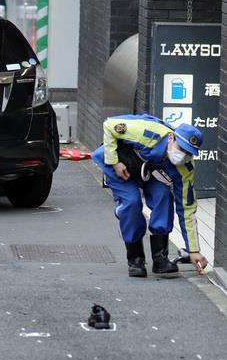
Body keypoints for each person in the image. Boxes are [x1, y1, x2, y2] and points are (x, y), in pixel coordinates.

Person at [90, 114, 209, 278]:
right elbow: (110, 125)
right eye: (180, 148)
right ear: (170, 138)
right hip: (121, 166)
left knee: (164, 198)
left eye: (188, 153)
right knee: (131, 203)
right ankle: (135, 259)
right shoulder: (147, 133)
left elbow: (187, 208)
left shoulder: (185, 168)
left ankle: (160, 258)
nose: (182, 155)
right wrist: (114, 161)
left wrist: (194, 250)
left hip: (152, 173)